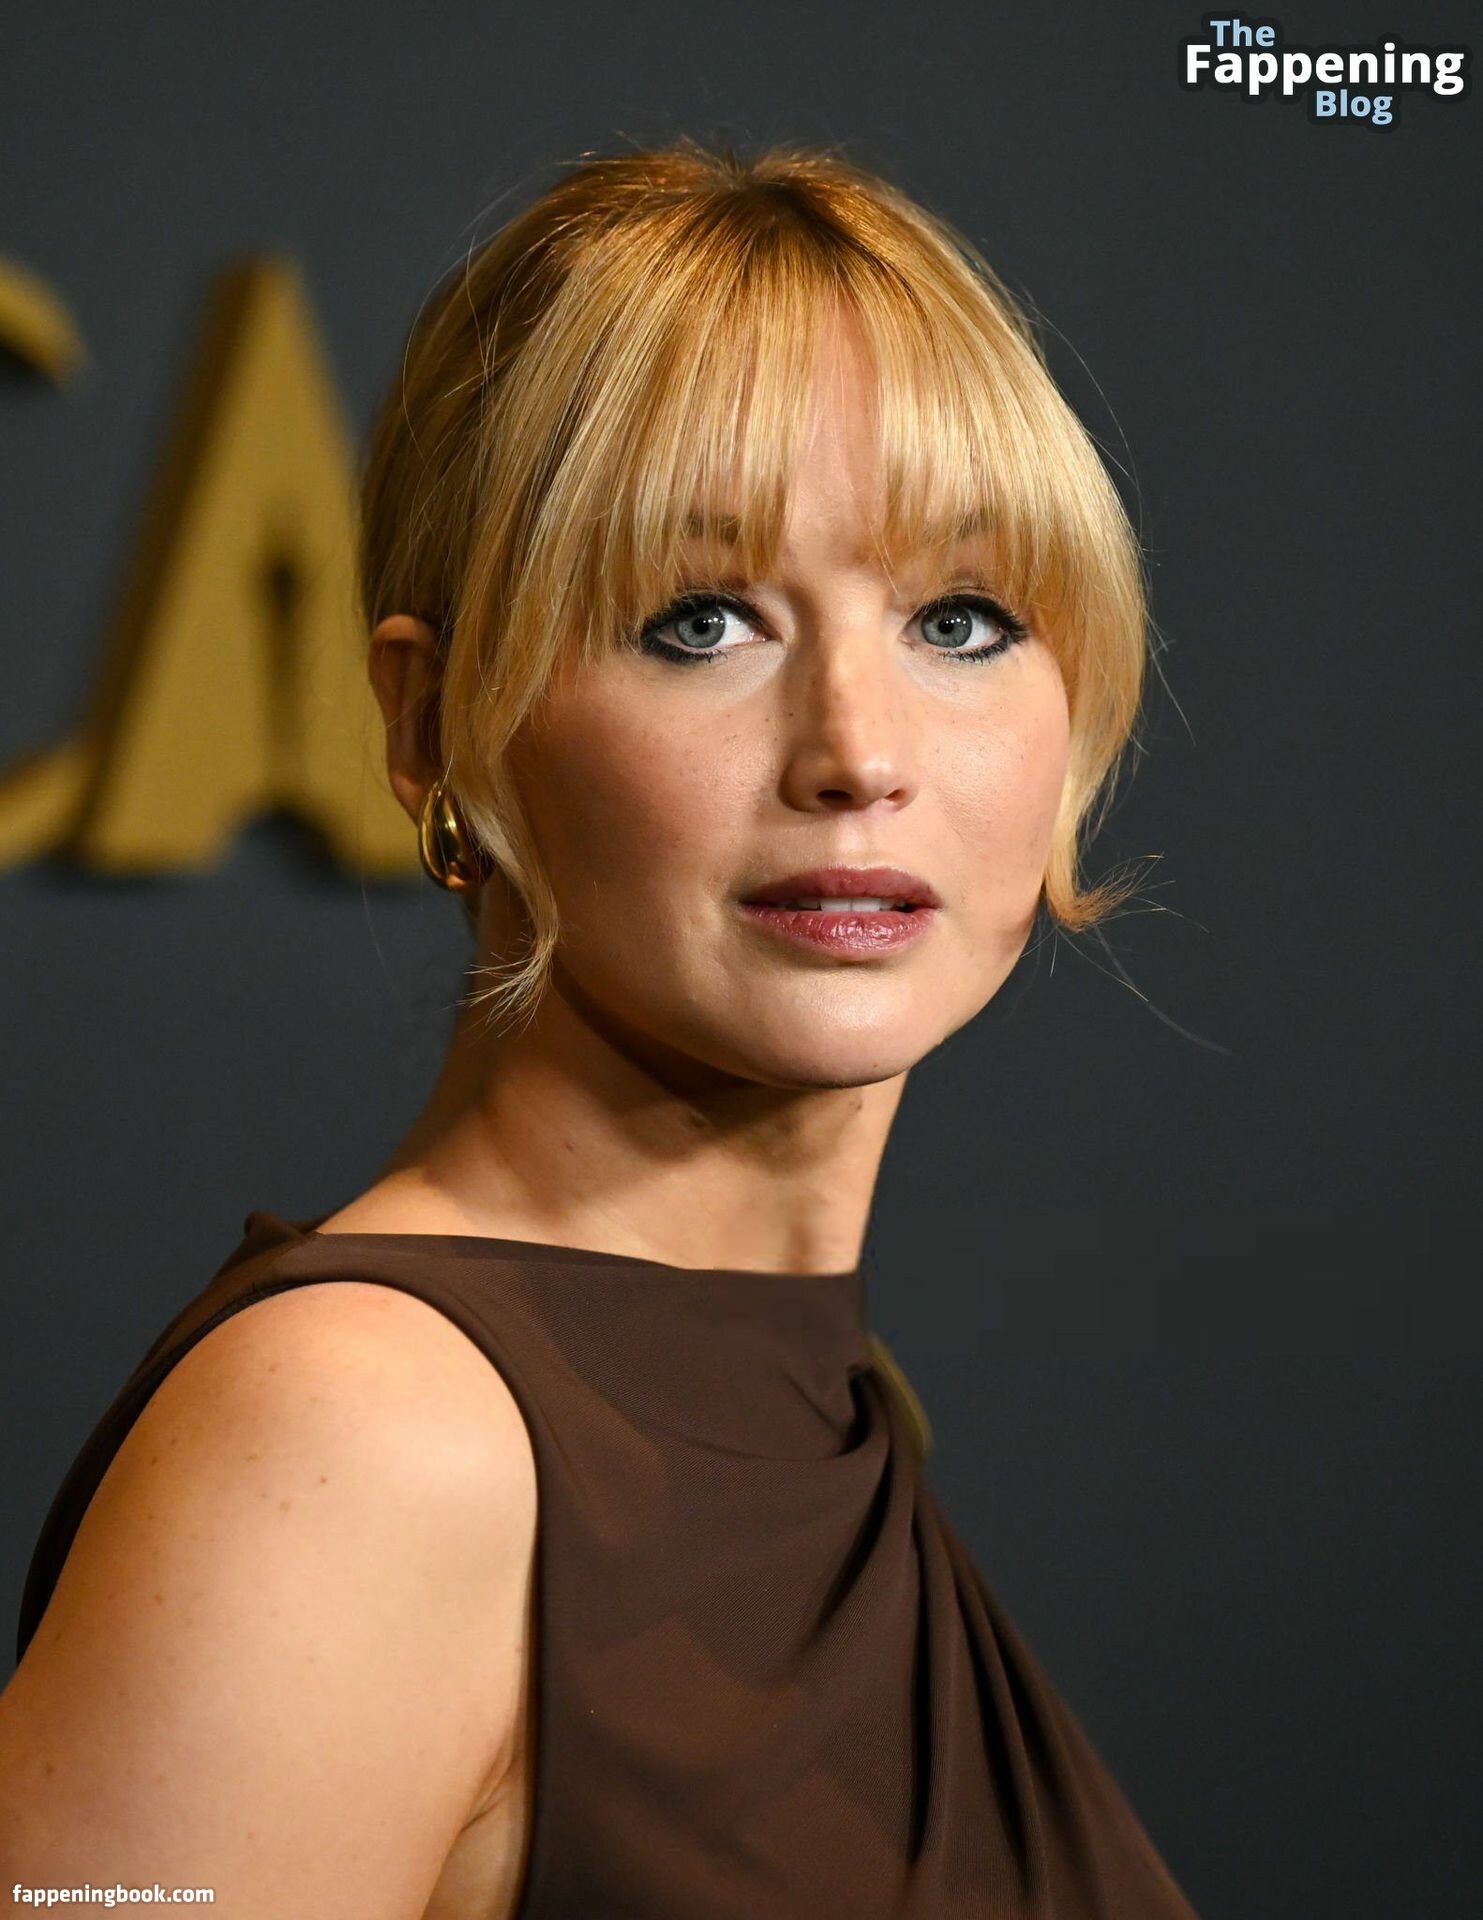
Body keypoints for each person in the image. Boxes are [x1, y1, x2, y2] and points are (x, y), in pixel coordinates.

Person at [0, 139, 1198, 1918]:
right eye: (699, 621)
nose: (858, 751)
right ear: (431, 723)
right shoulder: (363, 1445)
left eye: (962, 619)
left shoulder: (812, 1409)